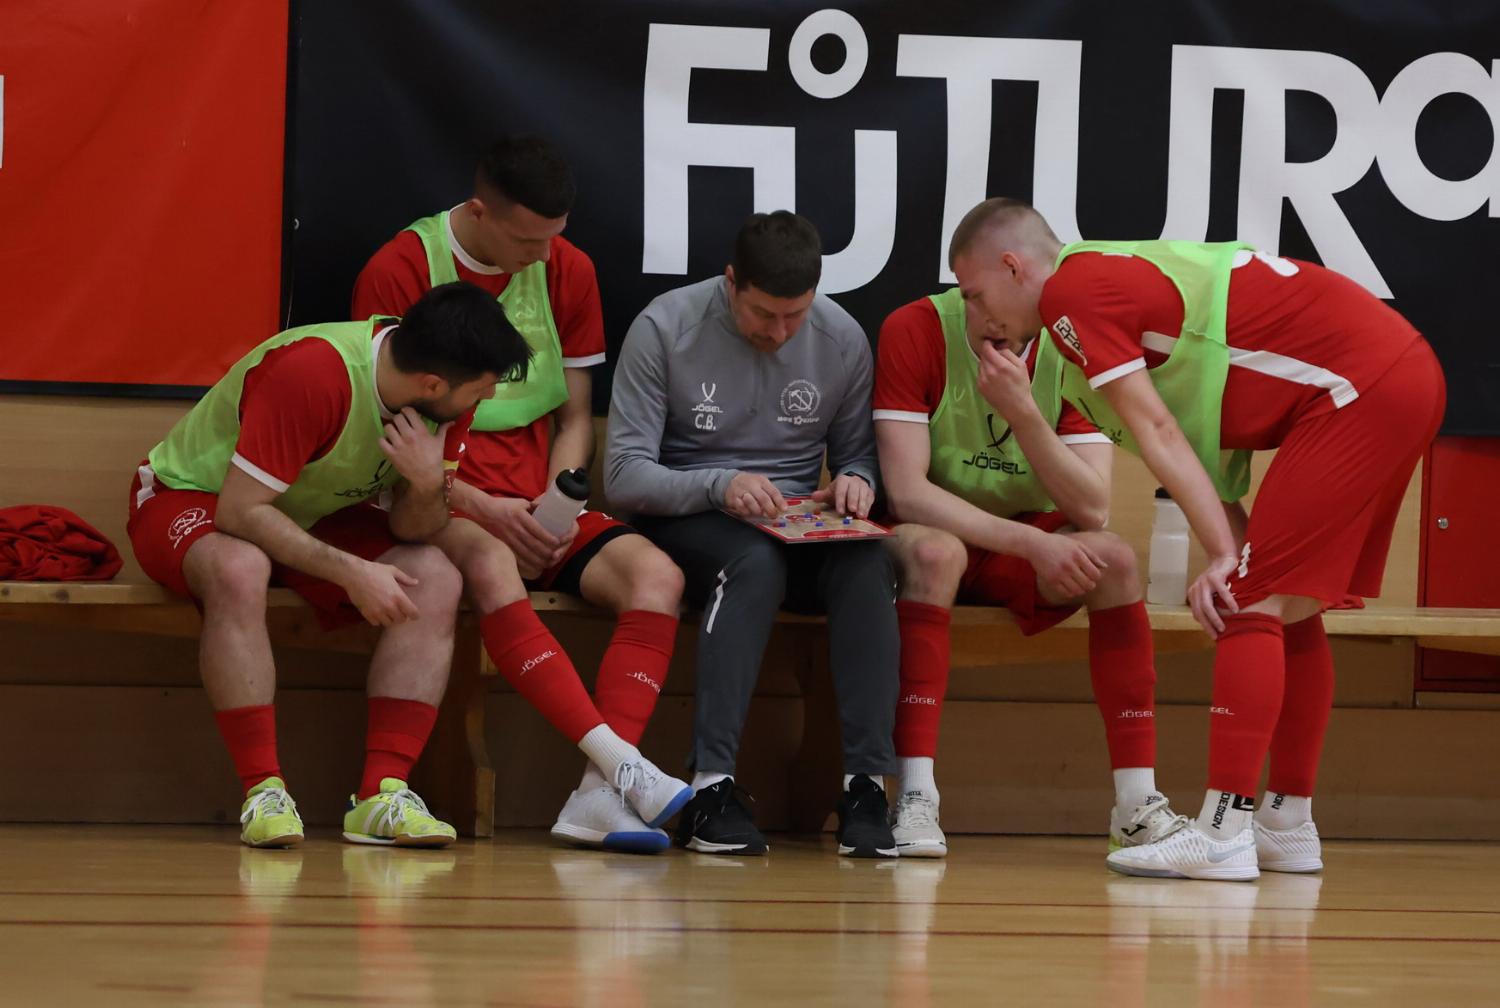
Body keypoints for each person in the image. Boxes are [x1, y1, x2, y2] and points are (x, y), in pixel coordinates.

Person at [948, 198, 1445, 880]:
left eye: (974, 293)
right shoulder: (1103, 295)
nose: (976, 317)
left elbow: (1157, 431)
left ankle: (1220, 832)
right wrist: (1232, 549)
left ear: (1012, 266)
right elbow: (1198, 459)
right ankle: (1287, 822)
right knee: (1287, 606)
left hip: (1359, 385)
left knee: (1251, 599)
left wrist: (1224, 559)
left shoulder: (1072, 293)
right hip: (1389, 377)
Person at [353, 135, 687, 853]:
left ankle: (599, 795)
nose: (543, 255)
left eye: (554, 238)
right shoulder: (401, 266)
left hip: (535, 503)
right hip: (438, 498)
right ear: (479, 212)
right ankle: (621, 763)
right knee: (492, 559)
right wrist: (483, 506)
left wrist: (556, 505)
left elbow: (576, 417)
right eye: (529, 240)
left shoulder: (568, 267)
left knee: (658, 575)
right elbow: (388, 435)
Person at [127, 282, 523, 849]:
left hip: (311, 509)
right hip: (196, 495)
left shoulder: (446, 391)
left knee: (434, 576)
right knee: (239, 568)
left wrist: (426, 483)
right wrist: (351, 572)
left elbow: (414, 528)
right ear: (433, 384)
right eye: (482, 390)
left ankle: (382, 794)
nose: (485, 399)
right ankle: (263, 790)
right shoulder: (313, 373)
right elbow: (240, 512)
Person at [606, 210, 899, 858]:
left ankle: (866, 788)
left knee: (869, 563)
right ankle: (710, 789)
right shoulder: (665, 327)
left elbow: (858, 455)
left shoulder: (842, 338)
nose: (780, 331)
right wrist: (720, 485)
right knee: (752, 562)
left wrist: (855, 482)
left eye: (796, 315)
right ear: (730, 281)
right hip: (690, 515)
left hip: (797, 521)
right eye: (764, 313)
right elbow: (624, 477)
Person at [874, 278, 1186, 859]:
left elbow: (1092, 508)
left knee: (1115, 560)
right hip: (934, 532)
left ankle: (1136, 805)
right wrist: (1032, 545)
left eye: (992, 300)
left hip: (1022, 539)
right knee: (937, 554)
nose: (986, 316)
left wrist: (1022, 411)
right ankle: (915, 794)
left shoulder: (1073, 346)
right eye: (971, 297)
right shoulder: (915, 327)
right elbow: (907, 493)